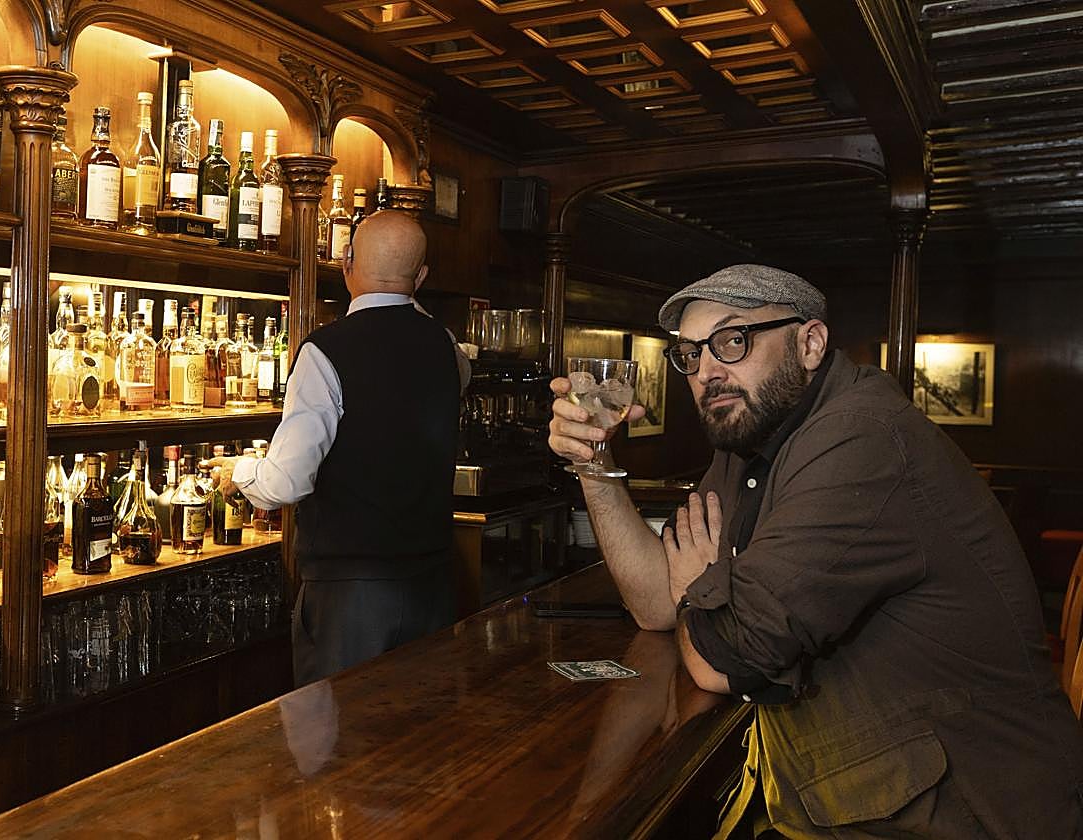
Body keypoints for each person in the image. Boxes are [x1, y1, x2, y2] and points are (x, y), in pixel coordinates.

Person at [548, 264, 1083, 838]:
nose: (706, 371)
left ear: (810, 342)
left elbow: (724, 658)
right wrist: (593, 463)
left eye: (733, 340)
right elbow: (657, 603)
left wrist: (694, 589)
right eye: (690, 355)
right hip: (849, 793)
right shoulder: (750, 437)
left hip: (963, 815)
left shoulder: (862, 438)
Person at [211, 210, 468, 687]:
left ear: (346, 261)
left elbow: (285, 483)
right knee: (420, 735)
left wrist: (241, 471)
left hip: (351, 595)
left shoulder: (324, 351)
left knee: (335, 744)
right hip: (432, 583)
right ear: (423, 276)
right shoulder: (448, 347)